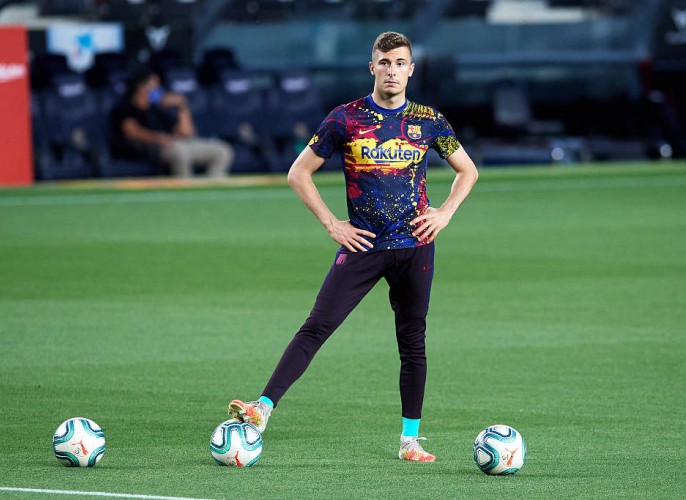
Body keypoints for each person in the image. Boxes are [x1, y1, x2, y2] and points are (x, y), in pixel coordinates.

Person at [228, 32, 479, 462]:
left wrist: (444, 213)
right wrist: (332, 224)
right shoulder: (346, 118)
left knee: (412, 341)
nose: (392, 71)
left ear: (411, 69)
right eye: (384, 63)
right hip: (363, 244)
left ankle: (410, 441)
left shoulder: (429, 120)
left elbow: (467, 170)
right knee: (317, 326)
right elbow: (298, 173)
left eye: (399, 63)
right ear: (372, 68)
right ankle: (262, 408)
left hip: (415, 245)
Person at [110, 69, 233, 178]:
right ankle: (185, 190)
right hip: (149, 149)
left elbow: (187, 133)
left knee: (222, 150)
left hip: (174, 144)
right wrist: (160, 139)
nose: (158, 89)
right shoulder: (125, 108)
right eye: (154, 85)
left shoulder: (157, 109)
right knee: (180, 152)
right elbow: (132, 131)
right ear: (141, 87)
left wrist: (182, 106)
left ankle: (210, 189)